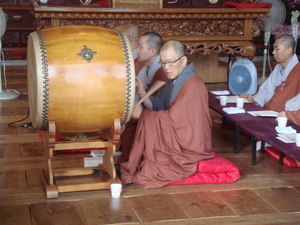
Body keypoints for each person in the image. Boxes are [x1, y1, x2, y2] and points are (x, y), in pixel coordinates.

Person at [120, 40, 215, 189]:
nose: (166, 68)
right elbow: (160, 106)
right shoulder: (174, 80)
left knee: (151, 167)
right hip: (176, 134)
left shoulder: (194, 84)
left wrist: (143, 115)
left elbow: (176, 122)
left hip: (189, 143)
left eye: (170, 62)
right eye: (163, 63)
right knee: (134, 128)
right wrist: (143, 93)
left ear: (183, 60)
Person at [116, 32, 168, 164]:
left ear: (152, 51)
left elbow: (158, 106)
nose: (137, 50)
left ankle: (131, 161)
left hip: (159, 121)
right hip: (143, 115)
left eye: (140, 47)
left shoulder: (163, 71)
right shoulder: (145, 68)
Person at [240, 34, 300, 112]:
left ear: (289, 50)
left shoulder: (298, 71)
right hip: (270, 110)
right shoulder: (277, 68)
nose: (273, 52)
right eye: (273, 49)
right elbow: (267, 91)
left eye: (277, 49)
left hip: (286, 114)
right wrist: (254, 100)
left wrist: (287, 113)